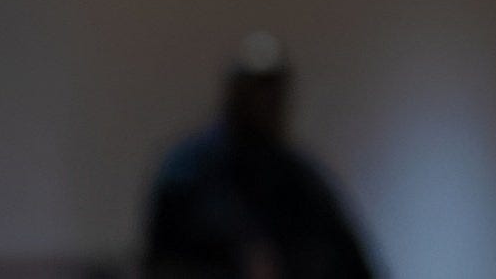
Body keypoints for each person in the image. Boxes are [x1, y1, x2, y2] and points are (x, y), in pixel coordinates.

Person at [141, 35, 378, 279]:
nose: (263, 102)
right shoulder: (187, 173)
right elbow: (160, 264)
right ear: (234, 93)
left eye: (272, 91)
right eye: (254, 90)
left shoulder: (303, 182)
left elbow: (352, 262)